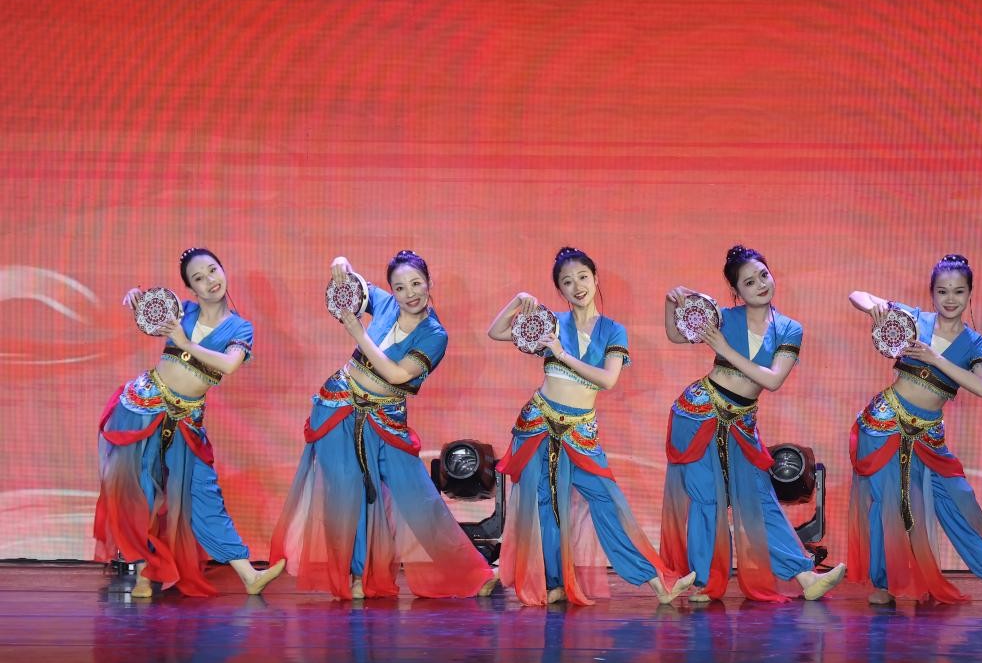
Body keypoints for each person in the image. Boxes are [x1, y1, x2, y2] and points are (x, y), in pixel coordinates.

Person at [270, 251, 496, 600]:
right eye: (400, 287)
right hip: (339, 405)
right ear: (392, 289)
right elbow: (350, 277)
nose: (410, 293)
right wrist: (340, 264)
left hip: (386, 418)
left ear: (429, 282)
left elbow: (397, 374)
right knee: (345, 493)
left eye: (417, 284)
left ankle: (471, 574)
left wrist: (358, 334)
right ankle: (356, 576)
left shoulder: (435, 335)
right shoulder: (386, 303)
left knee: (419, 499)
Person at [489, 247, 695, 606]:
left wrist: (561, 353)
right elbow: (496, 332)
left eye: (583, 277)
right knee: (545, 504)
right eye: (567, 282)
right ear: (560, 290)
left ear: (596, 279)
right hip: (539, 424)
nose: (577, 286)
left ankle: (657, 582)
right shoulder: (551, 324)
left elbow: (607, 379)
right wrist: (518, 301)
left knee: (607, 501)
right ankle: (553, 583)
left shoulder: (613, 330)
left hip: (580, 432)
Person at [847, 253, 982, 605]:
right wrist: (875, 307)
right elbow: (857, 295)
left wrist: (935, 359)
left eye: (958, 291)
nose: (950, 299)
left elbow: (980, 386)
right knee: (887, 505)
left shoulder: (975, 343)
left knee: (958, 500)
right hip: (885, 424)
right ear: (932, 293)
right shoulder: (915, 320)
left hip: (928, 435)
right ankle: (884, 585)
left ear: (970, 294)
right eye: (942, 291)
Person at [95, 247, 285, 597]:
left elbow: (229, 365)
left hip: (186, 419)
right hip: (145, 407)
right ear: (191, 288)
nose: (209, 281)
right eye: (198, 278)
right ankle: (144, 574)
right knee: (141, 490)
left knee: (204, 493)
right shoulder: (182, 311)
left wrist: (186, 344)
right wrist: (138, 299)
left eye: (213, 270)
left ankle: (248, 575)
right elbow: (150, 315)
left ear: (223, 270)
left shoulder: (240, 327)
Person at [661, 245, 845, 603]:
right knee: (706, 499)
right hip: (698, 413)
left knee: (760, 498)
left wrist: (725, 350)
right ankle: (704, 583)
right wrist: (672, 304)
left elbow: (773, 379)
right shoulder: (725, 319)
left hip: (742, 422)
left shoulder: (789, 328)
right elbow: (676, 334)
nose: (760, 284)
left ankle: (806, 576)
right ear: (736, 291)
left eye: (763, 275)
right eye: (749, 282)